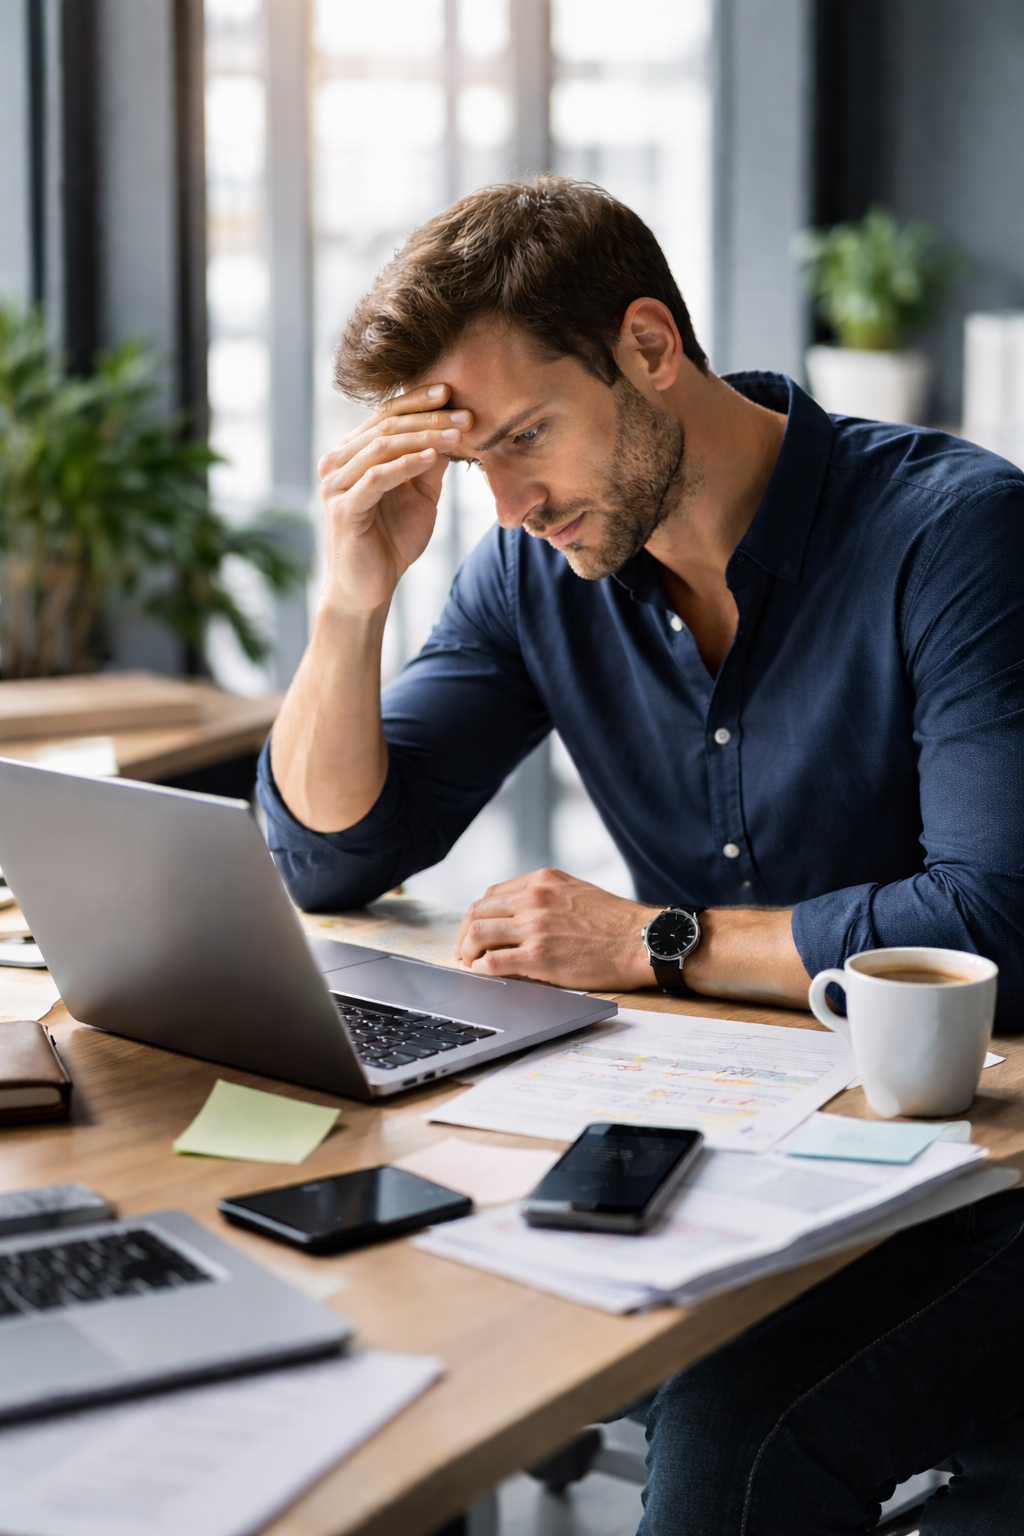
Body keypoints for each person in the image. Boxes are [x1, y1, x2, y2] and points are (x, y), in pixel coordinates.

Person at [258, 178, 1024, 1533]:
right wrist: (349, 600)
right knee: (370, 1330)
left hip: (977, 1180)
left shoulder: (956, 535)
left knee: (730, 1440)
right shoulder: (536, 569)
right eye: (468, 461)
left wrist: (651, 941)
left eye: (526, 437)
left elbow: (995, 919)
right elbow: (329, 855)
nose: (506, 503)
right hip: (722, 1150)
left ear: (649, 348)